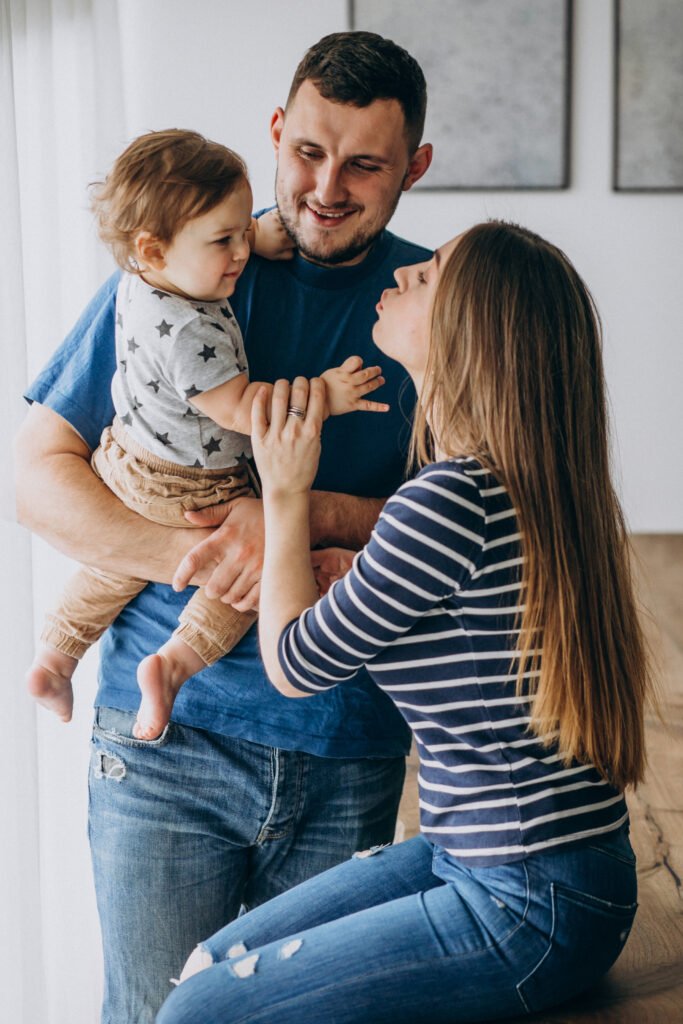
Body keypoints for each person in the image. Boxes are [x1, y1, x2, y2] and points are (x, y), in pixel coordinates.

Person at [15, 31, 433, 1023]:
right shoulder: (183, 262)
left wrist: (297, 517)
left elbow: (486, 516)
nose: (326, 186)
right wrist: (202, 557)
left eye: (366, 164)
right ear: (277, 132)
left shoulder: (436, 304)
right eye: (308, 152)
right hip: (163, 751)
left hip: (347, 748)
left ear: (414, 166)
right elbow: (35, 479)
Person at [157, 221, 653, 1024]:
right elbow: (470, 624)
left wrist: (284, 491)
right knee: (212, 962)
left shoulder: (448, 495)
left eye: (434, 276)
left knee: (198, 1012)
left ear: (472, 330)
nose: (410, 268)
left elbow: (292, 665)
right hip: (529, 869)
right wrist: (355, 575)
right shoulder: (507, 484)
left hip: (527, 899)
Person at [26, 128, 389, 742]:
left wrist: (256, 233)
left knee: (113, 570)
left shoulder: (144, 278)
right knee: (243, 578)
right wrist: (324, 395)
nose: (243, 252)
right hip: (190, 483)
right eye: (225, 240)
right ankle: (174, 664)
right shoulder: (191, 332)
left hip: (127, 457)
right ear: (154, 248)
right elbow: (242, 407)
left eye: (245, 230)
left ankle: (55, 655)